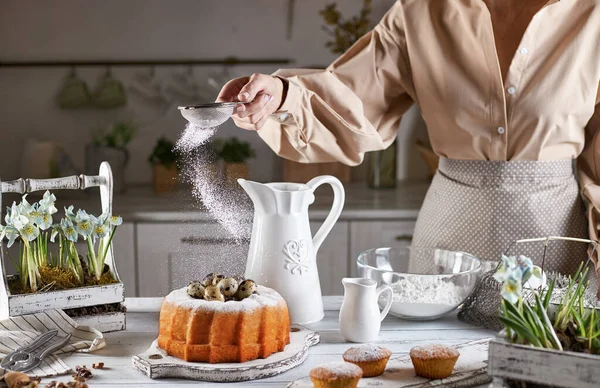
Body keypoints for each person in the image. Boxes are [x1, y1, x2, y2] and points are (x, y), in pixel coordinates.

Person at [217, 0, 600, 293]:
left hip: (557, 251)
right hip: (446, 251)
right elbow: (353, 99)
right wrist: (283, 96)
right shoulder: (420, 12)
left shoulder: (592, 15)